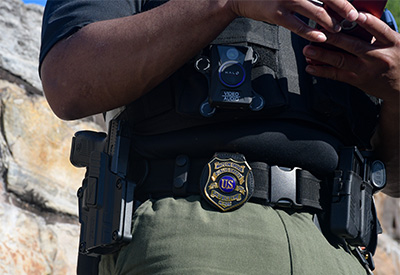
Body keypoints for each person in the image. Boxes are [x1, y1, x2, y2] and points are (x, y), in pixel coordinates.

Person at [39, 0, 400, 274]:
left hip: (341, 251)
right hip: (195, 234)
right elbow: (67, 83)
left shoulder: (369, 13)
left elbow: (393, 177)